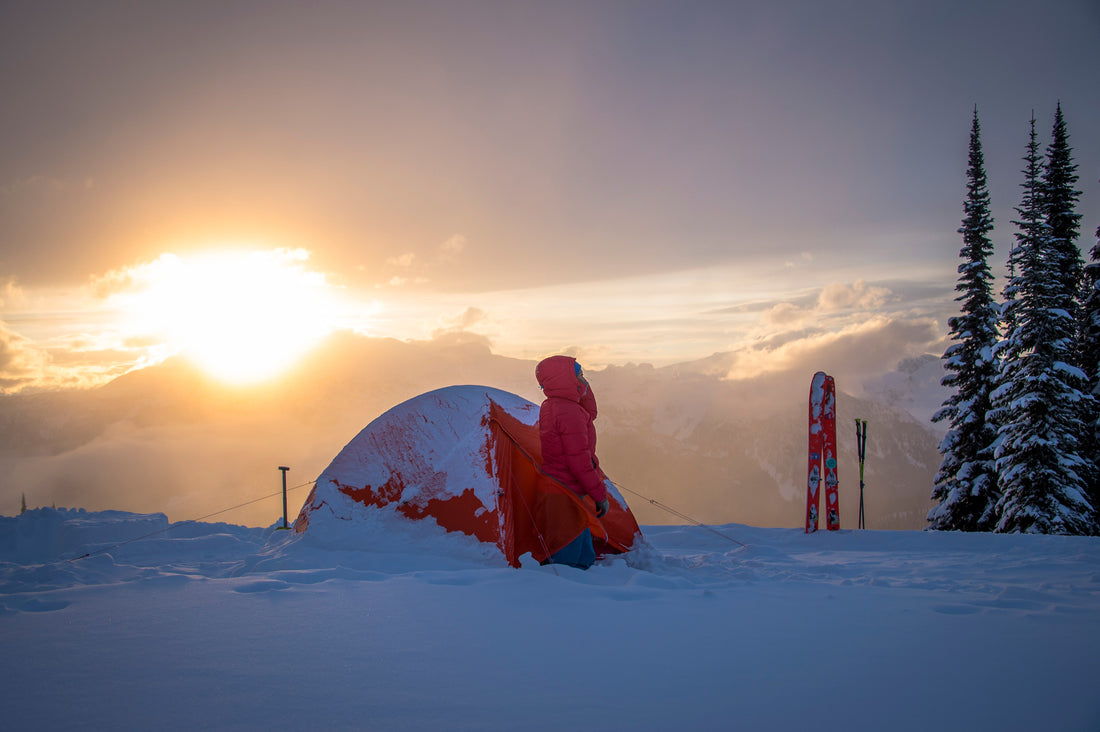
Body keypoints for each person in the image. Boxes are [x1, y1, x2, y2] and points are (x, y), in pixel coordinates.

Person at [535, 355, 611, 569]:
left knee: (581, 556)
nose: (582, 379)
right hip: (565, 492)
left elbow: (590, 413)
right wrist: (600, 496)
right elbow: (579, 461)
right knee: (569, 563)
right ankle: (566, 601)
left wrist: (584, 390)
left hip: (560, 489)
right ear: (564, 379)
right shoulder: (569, 413)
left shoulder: (553, 406)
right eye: (578, 375)